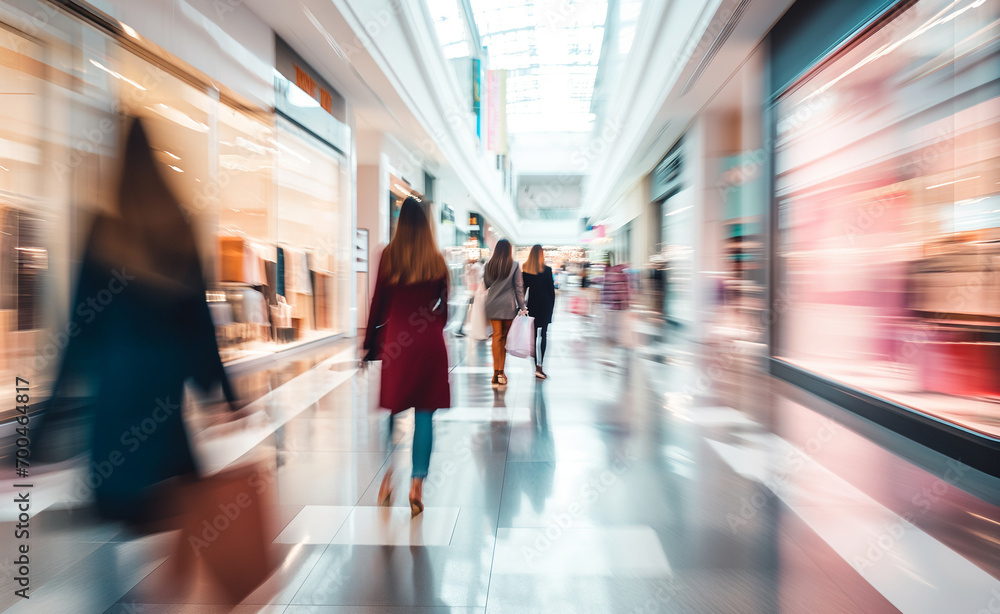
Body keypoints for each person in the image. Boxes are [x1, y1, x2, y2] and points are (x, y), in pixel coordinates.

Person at [34, 117, 237, 527]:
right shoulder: (180, 230)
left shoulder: (104, 231)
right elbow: (199, 319)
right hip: (165, 383)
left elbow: (79, 327)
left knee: (121, 494)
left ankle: (129, 572)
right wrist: (221, 388)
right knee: (172, 493)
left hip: (117, 382)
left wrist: (47, 417)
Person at [363, 196, 450, 517]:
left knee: (394, 413)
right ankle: (417, 483)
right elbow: (445, 311)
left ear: (400, 222)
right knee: (425, 416)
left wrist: (368, 344)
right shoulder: (436, 260)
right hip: (430, 346)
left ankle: (387, 481)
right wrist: (430, 328)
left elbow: (378, 305)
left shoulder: (387, 255)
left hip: (397, 345)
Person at [484, 239, 527, 388]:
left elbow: (487, 284)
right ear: (509, 250)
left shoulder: (489, 265)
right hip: (508, 306)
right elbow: (518, 287)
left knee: (496, 336)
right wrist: (523, 306)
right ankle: (501, 371)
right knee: (503, 339)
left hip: (492, 305)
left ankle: (496, 373)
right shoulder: (514, 265)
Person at [521, 244, 555, 380]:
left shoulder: (526, 269)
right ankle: (540, 367)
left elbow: (523, 290)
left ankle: (535, 366)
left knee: (533, 336)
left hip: (533, 305)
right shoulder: (547, 270)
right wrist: (551, 309)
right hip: (545, 305)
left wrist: (521, 307)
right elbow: (551, 292)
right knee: (544, 335)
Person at [454, 257, 483, 337]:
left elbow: (466, 279)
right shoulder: (478, 267)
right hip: (475, 291)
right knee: (473, 311)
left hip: (471, 290)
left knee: (468, 311)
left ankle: (461, 328)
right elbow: (479, 279)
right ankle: (460, 328)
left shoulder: (471, 268)